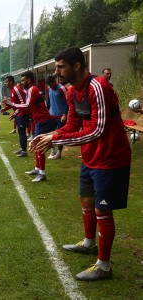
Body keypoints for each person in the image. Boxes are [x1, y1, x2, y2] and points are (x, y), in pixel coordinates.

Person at [29, 47, 131, 281]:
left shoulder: (99, 87)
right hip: (90, 156)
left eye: (60, 67)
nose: (57, 72)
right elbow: (73, 124)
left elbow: (99, 129)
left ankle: (104, 266)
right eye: (56, 67)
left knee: (102, 208)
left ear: (77, 66)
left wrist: (56, 138)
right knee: (86, 200)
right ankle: (88, 243)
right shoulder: (72, 91)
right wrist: (53, 134)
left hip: (111, 157)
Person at [4, 71, 56, 182]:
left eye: (23, 80)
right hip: (39, 121)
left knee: (39, 146)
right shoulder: (29, 90)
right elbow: (28, 106)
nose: (21, 82)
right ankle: (37, 168)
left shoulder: (33, 89)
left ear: (28, 79)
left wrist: (11, 104)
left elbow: (27, 105)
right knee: (37, 145)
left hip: (43, 121)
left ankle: (42, 173)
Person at [1, 75, 30, 157]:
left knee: (22, 132)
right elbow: (13, 104)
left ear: (11, 82)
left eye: (6, 82)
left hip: (23, 113)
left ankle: (24, 151)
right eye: (5, 82)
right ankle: (22, 149)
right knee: (20, 132)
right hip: (19, 113)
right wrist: (5, 109)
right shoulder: (12, 90)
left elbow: (22, 104)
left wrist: (15, 113)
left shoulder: (16, 89)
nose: (5, 84)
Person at [45, 75, 68, 159]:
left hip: (61, 116)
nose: (50, 86)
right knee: (49, 133)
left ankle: (59, 152)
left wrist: (65, 114)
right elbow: (48, 101)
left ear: (54, 81)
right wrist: (46, 112)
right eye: (49, 84)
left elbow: (67, 102)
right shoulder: (49, 88)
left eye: (51, 83)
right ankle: (52, 150)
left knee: (59, 134)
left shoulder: (62, 88)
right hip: (52, 116)